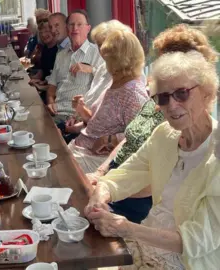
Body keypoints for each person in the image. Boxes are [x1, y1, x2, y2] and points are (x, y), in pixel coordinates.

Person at [85, 51, 219, 269]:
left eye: (182, 93)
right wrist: (100, 195)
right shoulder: (164, 135)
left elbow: (196, 240)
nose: (172, 105)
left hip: (186, 262)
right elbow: (123, 175)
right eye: (163, 98)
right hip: (142, 245)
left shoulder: (217, 152)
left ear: (207, 92)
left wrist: (125, 228)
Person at [86, 23, 218, 224]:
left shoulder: (190, 129)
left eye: (181, 92)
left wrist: (118, 213)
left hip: (135, 201)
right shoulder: (160, 108)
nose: (171, 103)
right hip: (122, 183)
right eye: (162, 60)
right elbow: (133, 143)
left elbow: (156, 183)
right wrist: (102, 176)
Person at [67, 30, 148, 174]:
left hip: (95, 162)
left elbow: (143, 135)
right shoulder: (116, 82)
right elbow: (99, 122)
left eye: (108, 59)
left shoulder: (133, 92)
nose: (105, 63)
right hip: (80, 150)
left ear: (120, 61)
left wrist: (109, 140)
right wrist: (81, 110)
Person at [61, 20, 133, 143]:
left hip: (98, 139)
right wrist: (76, 115)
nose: (102, 51)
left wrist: (80, 120)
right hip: (83, 125)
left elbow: (113, 126)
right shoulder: (103, 68)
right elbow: (90, 100)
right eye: (99, 45)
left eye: (105, 45)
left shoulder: (128, 78)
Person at [46, 9, 104, 124]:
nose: (75, 28)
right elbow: (51, 88)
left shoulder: (98, 53)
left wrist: (91, 69)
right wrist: (50, 102)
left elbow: (106, 85)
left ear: (88, 28)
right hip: (55, 113)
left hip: (76, 116)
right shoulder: (61, 55)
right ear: (67, 29)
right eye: (71, 25)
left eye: (79, 24)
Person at [28, 21, 58, 103]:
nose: (43, 35)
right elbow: (43, 70)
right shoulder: (45, 48)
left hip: (53, 94)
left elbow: (57, 79)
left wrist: (41, 85)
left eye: (47, 31)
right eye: (41, 33)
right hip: (45, 87)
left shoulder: (59, 50)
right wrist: (33, 78)